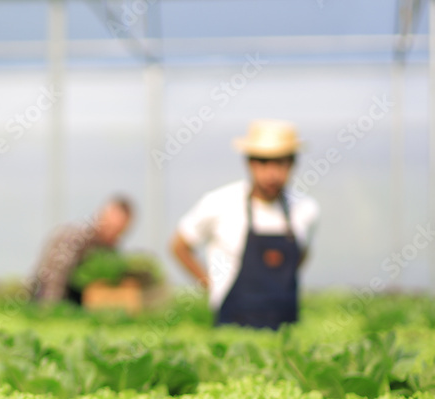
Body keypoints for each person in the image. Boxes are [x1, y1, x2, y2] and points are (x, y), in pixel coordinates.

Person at [170, 119, 320, 329]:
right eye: (263, 162)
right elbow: (179, 246)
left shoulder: (305, 209)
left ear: (293, 163)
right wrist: (209, 285)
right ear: (249, 163)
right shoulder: (219, 203)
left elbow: (302, 254)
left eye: (281, 162)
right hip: (233, 325)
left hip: (286, 325)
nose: (272, 173)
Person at [31, 197, 133, 305]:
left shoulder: (105, 247)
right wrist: (51, 308)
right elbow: (55, 276)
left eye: (119, 232)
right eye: (112, 228)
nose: (114, 236)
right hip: (48, 293)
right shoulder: (76, 237)